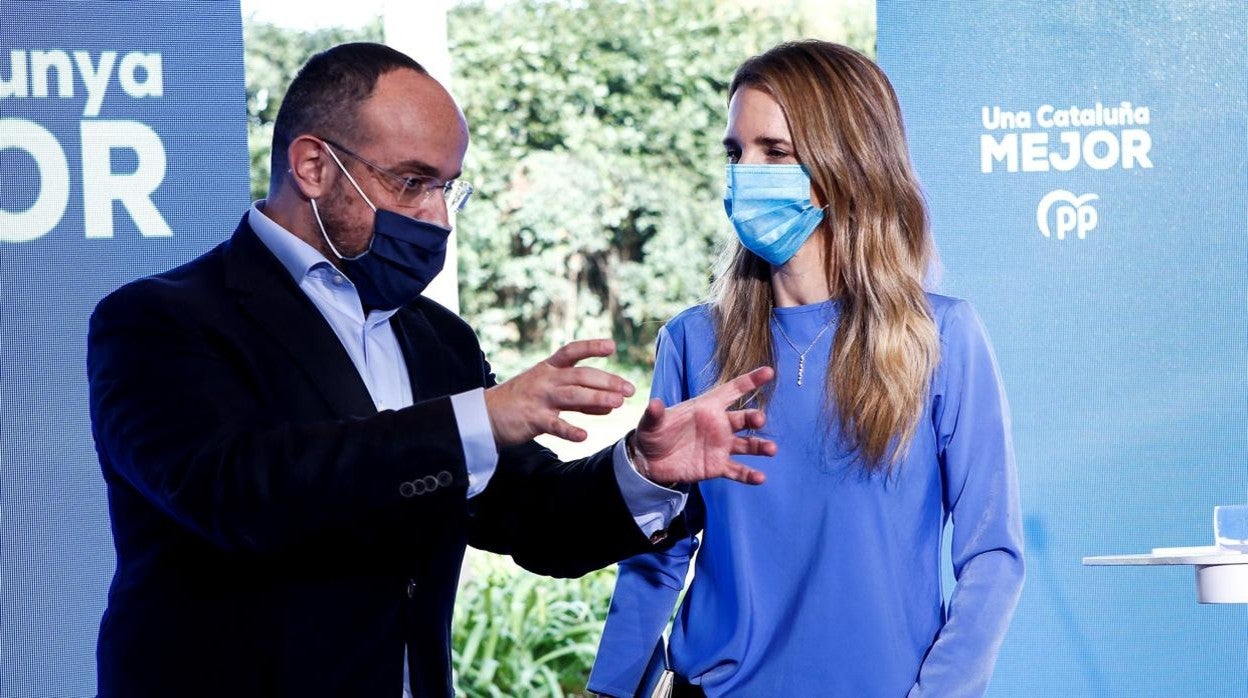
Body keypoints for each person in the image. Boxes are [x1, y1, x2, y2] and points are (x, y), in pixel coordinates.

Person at [86, 42, 779, 697]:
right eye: (413, 183)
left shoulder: (437, 339)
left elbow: (531, 518)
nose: (438, 219)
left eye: (449, 189)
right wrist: (476, 420)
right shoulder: (157, 320)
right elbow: (238, 494)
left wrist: (643, 469)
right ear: (313, 166)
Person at [589, 40, 1025, 697]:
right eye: (735, 153)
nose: (745, 173)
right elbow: (660, 550)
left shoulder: (941, 337)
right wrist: (610, 688)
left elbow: (992, 553)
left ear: (843, 162)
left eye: (775, 151)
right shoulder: (691, 341)